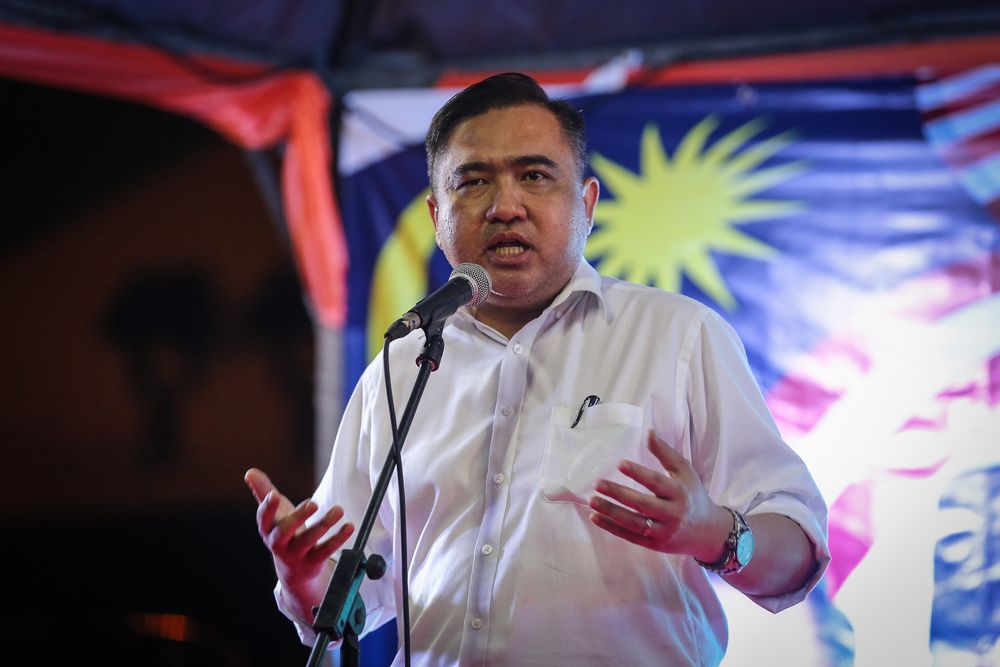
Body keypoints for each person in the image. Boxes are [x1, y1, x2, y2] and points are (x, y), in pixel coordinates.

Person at [245, 72, 829, 666]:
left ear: (587, 203)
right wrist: (303, 580)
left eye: (534, 175)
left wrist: (713, 532)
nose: (504, 206)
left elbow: (798, 552)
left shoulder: (678, 336)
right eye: (473, 183)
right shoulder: (402, 367)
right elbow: (348, 600)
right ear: (436, 215)